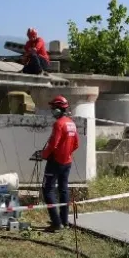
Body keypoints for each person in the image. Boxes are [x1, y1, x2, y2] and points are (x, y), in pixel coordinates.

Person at [40, 95, 79, 232]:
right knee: (63, 190)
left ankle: (56, 223)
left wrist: (43, 155)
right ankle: (64, 221)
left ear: (58, 109)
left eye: (53, 108)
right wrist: (66, 153)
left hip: (55, 162)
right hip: (67, 162)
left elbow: (53, 145)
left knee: (47, 189)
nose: (52, 111)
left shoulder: (59, 124)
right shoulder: (71, 123)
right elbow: (76, 144)